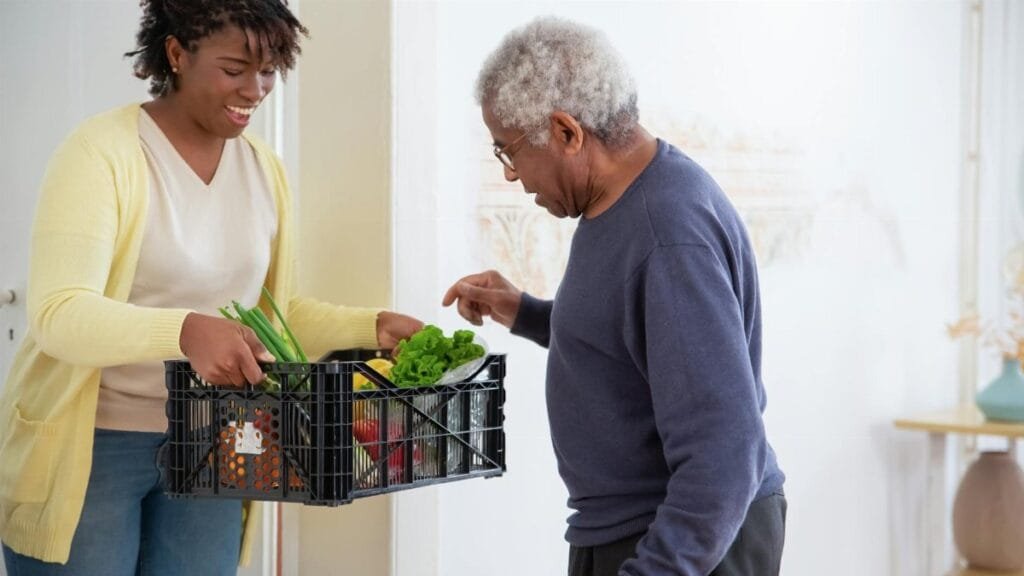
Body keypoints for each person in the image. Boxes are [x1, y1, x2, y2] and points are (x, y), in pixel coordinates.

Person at [0, 1, 422, 574]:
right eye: (234, 69)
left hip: (212, 440)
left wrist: (367, 326)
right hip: (92, 444)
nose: (255, 89)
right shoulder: (101, 153)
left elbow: (268, 315)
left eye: (270, 69)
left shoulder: (263, 170)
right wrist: (186, 330)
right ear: (176, 53)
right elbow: (59, 314)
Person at [442, 17, 786, 576]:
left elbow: (724, 454)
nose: (510, 175)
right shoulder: (625, 202)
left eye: (508, 151)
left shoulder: (666, 234)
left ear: (566, 132)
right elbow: (635, 341)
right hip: (636, 529)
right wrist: (524, 312)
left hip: (681, 541)